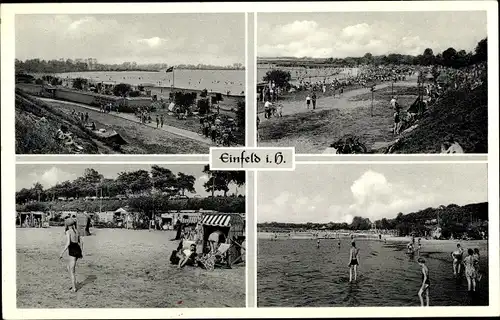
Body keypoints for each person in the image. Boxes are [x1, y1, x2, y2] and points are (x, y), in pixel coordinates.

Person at [59, 219, 83, 292]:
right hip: (77, 250)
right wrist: (81, 251)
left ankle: (74, 288)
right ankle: (73, 285)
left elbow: (68, 243)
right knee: (69, 267)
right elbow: (81, 243)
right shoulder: (77, 232)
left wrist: (62, 252)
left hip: (72, 251)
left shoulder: (68, 232)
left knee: (72, 271)